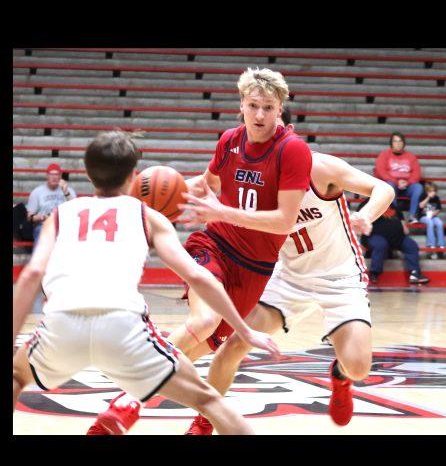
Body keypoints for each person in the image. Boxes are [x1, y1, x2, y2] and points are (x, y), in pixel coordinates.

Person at [85, 66, 313, 435]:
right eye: (253, 106)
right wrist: (144, 202)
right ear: (241, 105)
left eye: (268, 108)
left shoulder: (293, 150)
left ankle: (184, 416)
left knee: (194, 351)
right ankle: (123, 405)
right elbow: (206, 185)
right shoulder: (229, 141)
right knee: (204, 321)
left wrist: (223, 211)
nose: (259, 115)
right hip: (215, 246)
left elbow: (284, 221)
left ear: (280, 110)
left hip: (254, 268)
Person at [12, 131, 280, 436]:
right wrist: (244, 330)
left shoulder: (61, 214)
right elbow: (197, 276)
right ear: (133, 176)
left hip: (62, 324)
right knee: (209, 401)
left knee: (17, 377)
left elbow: (31, 275)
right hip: (124, 328)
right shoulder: (147, 216)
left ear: (87, 173)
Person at [180, 150, 396, 433]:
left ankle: (340, 374)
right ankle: (204, 423)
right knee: (233, 346)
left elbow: (384, 189)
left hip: (339, 277)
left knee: (358, 368)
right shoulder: (257, 178)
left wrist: (365, 215)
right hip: (288, 277)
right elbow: (209, 183)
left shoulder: (320, 167)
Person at [359, 199, 430, 284]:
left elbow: (401, 219)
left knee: (411, 245)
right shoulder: (366, 204)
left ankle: (415, 274)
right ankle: (374, 273)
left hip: (397, 237)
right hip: (374, 236)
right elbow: (359, 221)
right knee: (380, 244)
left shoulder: (392, 204)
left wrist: (403, 228)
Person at [373, 132, 423, 224]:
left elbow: (417, 173)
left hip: (407, 187)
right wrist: (396, 182)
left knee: (418, 187)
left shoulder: (411, 157)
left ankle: (412, 216)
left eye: (400, 141)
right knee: (390, 185)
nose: (398, 143)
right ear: (391, 143)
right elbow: (381, 172)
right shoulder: (384, 155)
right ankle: (395, 215)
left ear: (404, 143)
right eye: (395, 141)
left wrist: (407, 182)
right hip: (391, 185)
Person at [26, 163, 76, 247]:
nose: (54, 177)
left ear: (60, 176)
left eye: (56, 174)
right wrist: (42, 217)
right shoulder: (37, 192)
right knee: (42, 233)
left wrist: (66, 193)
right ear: (47, 176)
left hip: (64, 227)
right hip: (44, 226)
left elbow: (77, 210)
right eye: (51, 174)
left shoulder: (69, 191)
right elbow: (29, 217)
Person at [417, 181, 445, 259]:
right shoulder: (422, 195)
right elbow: (421, 206)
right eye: (431, 191)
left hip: (433, 216)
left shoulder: (436, 198)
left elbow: (438, 208)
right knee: (430, 222)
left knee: (439, 223)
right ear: (427, 191)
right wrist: (428, 197)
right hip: (423, 216)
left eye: (434, 191)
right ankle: (431, 245)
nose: (433, 193)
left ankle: (441, 245)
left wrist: (434, 213)